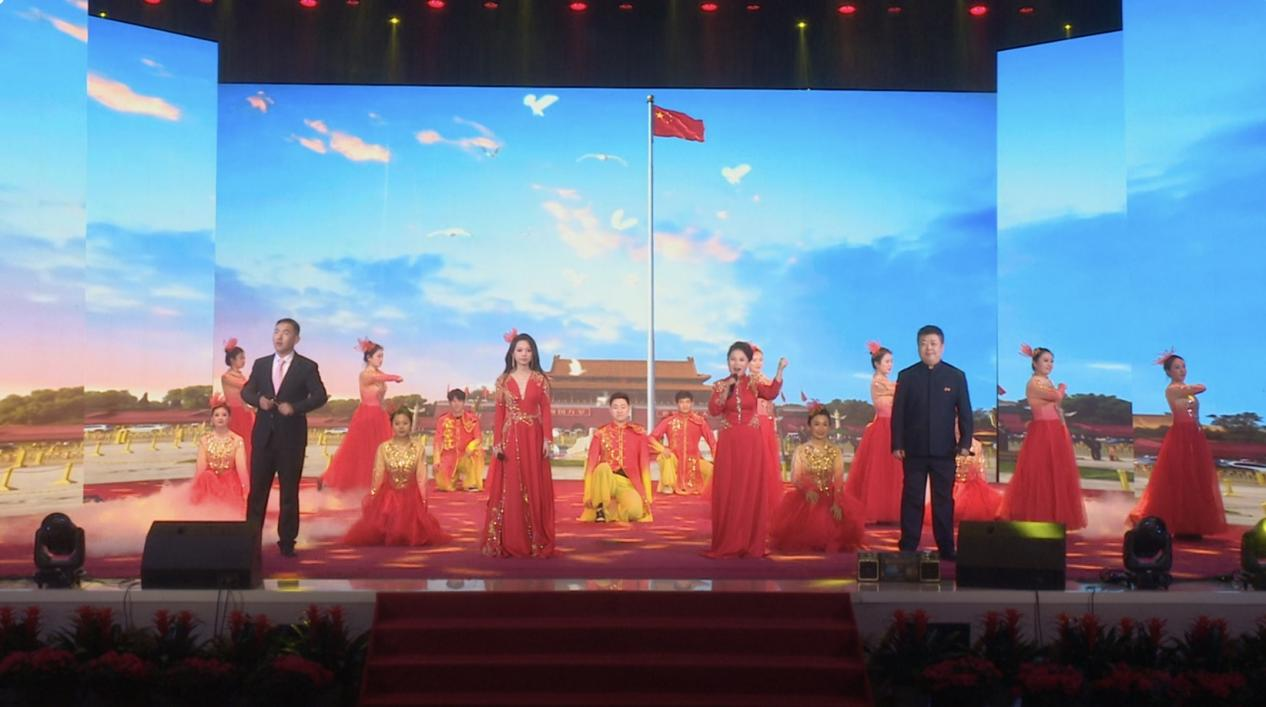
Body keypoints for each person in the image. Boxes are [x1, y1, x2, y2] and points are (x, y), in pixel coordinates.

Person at [241, 318, 329, 557]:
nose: (279, 336)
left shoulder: (306, 367)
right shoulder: (261, 364)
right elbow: (247, 390)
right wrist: (258, 400)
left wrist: (296, 408)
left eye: (286, 332)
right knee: (257, 492)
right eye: (276, 331)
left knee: (289, 493)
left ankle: (287, 542)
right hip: (263, 438)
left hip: (291, 439)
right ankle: (251, 540)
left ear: (296, 339)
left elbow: (320, 396)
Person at [891, 325, 972, 560]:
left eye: (933, 343)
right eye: (924, 343)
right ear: (918, 347)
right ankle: (908, 545)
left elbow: (965, 413)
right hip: (913, 450)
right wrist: (897, 443)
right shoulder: (907, 376)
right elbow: (898, 414)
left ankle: (946, 548)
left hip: (945, 451)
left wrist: (965, 443)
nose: (929, 348)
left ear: (942, 347)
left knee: (943, 501)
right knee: (912, 498)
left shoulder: (956, 376)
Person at [1129, 352, 1227, 536]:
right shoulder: (1173, 389)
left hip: (1195, 435)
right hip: (1180, 435)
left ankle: (1193, 523)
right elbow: (1201, 387)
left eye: (1183, 366)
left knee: (1196, 476)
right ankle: (1174, 522)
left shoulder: (1184, 389)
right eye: (1177, 367)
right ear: (1168, 372)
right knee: (1179, 477)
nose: (1182, 370)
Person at [705, 341, 786, 559]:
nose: (737, 363)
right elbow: (714, 410)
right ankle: (728, 540)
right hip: (729, 443)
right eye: (733, 359)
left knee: (750, 488)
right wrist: (726, 391)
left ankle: (750, 542)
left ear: (748, 362)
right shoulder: (720, 385)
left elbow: (771, 393)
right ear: (727, 362)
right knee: (729, 489)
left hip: (752, 443)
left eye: (741, 359)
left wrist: (779, 371)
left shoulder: (754, 383)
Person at [481, 330, 556, 558]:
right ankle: (511, 539)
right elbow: (499, 414)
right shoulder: (503, 381)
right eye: (520, 350)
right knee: (511, 486)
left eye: (528, 350)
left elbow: (546, 410)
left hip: (534, 436)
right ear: (512, 353)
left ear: (534, 354)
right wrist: (497, 443)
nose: (524, 354)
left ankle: (535, 538)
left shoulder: (541, 380)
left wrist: (547, 439)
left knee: (534, 484)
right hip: (511, 437)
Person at [999, 345, 1087, 530]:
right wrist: (1062, 387)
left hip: (1054, 429)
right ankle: (1038, 514)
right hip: (1043, 431)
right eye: (1045, 361)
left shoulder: (1045, 381)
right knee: (1041, 472)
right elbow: (1056, 397)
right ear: (1035, 363)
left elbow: (1056, 405)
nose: (1050, 364)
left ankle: (1054, 514)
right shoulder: (1035, 383)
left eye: (1052, 361)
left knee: (1056, 473)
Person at [343, 409, 450, 547]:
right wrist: (374, 496)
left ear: (411, 425)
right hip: (388, 495)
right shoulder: (383, 448)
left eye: (405, 423)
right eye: (397, 423)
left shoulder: (418, 448)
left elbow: (421, 475)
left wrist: (423, 499)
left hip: (411, 497)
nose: (401, 427)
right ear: (392, 425)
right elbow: (378, 473)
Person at [770, 405, 865, 553]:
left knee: (836, 521)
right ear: (809, 426)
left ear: (829, 427)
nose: (821, 428)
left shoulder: (835, 451)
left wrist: (837, 502)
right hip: (806, 497)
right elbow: (796, 477)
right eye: (817, 424)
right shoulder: (801, 450)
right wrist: (807, 490)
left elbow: (838, 480)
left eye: (825, 424)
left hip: (830, 496)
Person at [319, 339, 402, 492]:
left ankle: (378, 483)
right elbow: (378, 378)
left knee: (380, 451)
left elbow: (381, 383)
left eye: (382, 356)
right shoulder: (365, 375)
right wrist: (394, 377)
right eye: (378, 356)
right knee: (360, 452)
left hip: (379, 415)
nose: (381, 359)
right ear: (369, 358)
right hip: (366, 416)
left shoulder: (380, 373)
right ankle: (334, 481)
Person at [842, 341, 904, 523]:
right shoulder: (879, 382)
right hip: (884, 428)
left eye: (891, 361)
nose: (890, 365)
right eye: (887, 362)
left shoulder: (885, 381)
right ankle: (882, 509)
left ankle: (892, 508)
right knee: (882, 470)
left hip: (889, 426)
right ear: (877, 364)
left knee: (891, 471)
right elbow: (899, 391)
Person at [579, 393, 653, 523]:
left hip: (627, 483)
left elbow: (645, 466)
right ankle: (600, 507)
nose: (619, 411)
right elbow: (590, 466)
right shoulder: (600, 433)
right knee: (602, 467)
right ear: (610, 410)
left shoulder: (639, 434)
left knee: (635, 512)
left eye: (623, 407)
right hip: (606, 480)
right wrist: (588, 494)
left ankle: (611, 510)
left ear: (629, 409)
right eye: (615, 407)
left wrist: (647, 494)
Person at [649, 391, 716, 495]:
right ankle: (668, 485)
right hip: (674, 461)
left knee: (712, 471)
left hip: (694, 462)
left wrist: (717, 459)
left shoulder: (700, 422)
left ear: (692, 403)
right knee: (666, 457)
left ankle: (697, 486)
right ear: (677, 404)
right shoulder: (669, 421)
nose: (685, 405)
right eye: (682, 402)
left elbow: (712, 442)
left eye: (687, 402)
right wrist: (662, 449)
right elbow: (650, 438)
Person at [190, 395, 247, 510]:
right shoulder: (204, 440)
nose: (220, 418)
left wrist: (246, 489)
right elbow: (200, 468)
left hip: (230, 483)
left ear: (229, 418)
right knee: (206, 476)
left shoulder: (237, 440)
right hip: (209, 483)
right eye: (217, 415)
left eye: (224, 415)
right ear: (212, 419)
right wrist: (193, 487)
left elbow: (242, 468)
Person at [750, 345, 787, 504]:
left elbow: (772, 391)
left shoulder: (764, 379)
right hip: (755, 425)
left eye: (760, 360)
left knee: (767, 462)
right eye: (754, 360)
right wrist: (779, 370)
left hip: (766, 424)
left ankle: (763, 497)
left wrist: (779, 371)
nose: (758, 363)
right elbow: (770, 393)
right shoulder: (750, 381)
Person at [433, 388, 484, 492]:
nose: (456, 404)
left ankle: (471, 482)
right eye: (453, 401)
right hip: (449, 456)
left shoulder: (472, 419)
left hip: (467, 455)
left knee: (477, 451)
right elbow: (437, 441)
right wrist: (436, 459)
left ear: (463, 402)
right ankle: (452, 479)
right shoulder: (442, 420)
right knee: (444, 486)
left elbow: (478, 438)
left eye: (459, 401)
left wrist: (471, 446)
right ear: (449, 403)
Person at [221, 338, 255, 478]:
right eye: (241, 358)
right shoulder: (227, 377)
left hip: (246, 413)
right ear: (232, 360)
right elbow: (247, 387)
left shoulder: (241, 376)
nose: (244, 360)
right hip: (235, 415)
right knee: (237, 446)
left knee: (249, 445)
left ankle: (249, 476)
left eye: (244, 358)